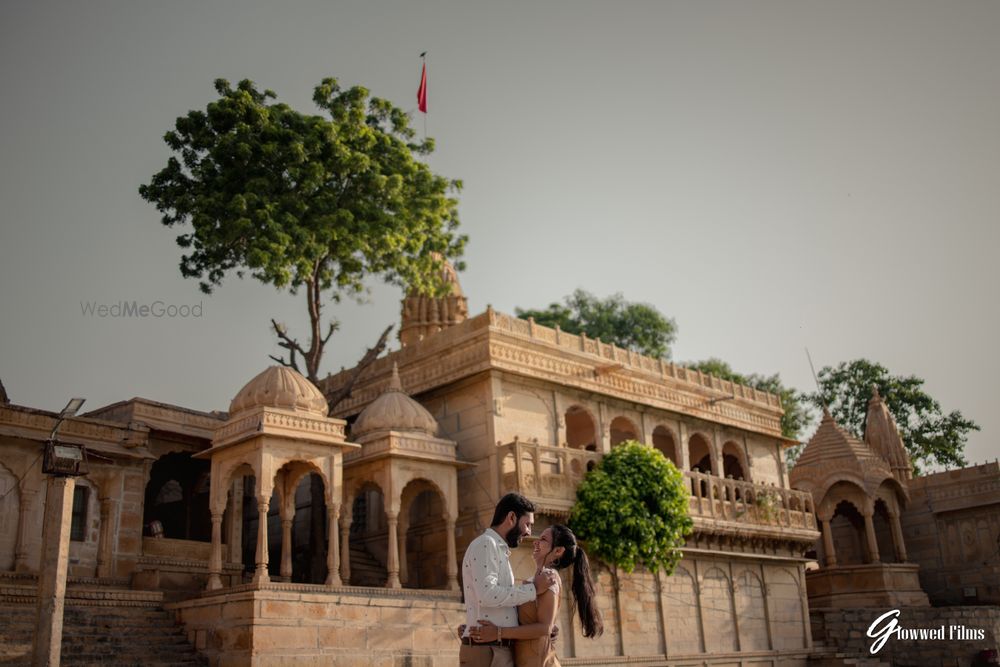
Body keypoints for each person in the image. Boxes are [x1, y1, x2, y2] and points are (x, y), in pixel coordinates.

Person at [469, 524, 603, 667]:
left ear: (558, 550)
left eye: (543, 539)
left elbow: (544, 628)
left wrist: (498, 633)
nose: (535, 542)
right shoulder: (539, 580)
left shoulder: (549, 578)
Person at [460, 493, 559, 667]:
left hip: (497, 648)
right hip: (487, 651)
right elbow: (487, 594)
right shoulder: (486, 544)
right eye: (527, 524)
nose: (529, 532)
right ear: (512, 517)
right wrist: (534, 589)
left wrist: (541, 628)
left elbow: (504, 604)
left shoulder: (498, 549)